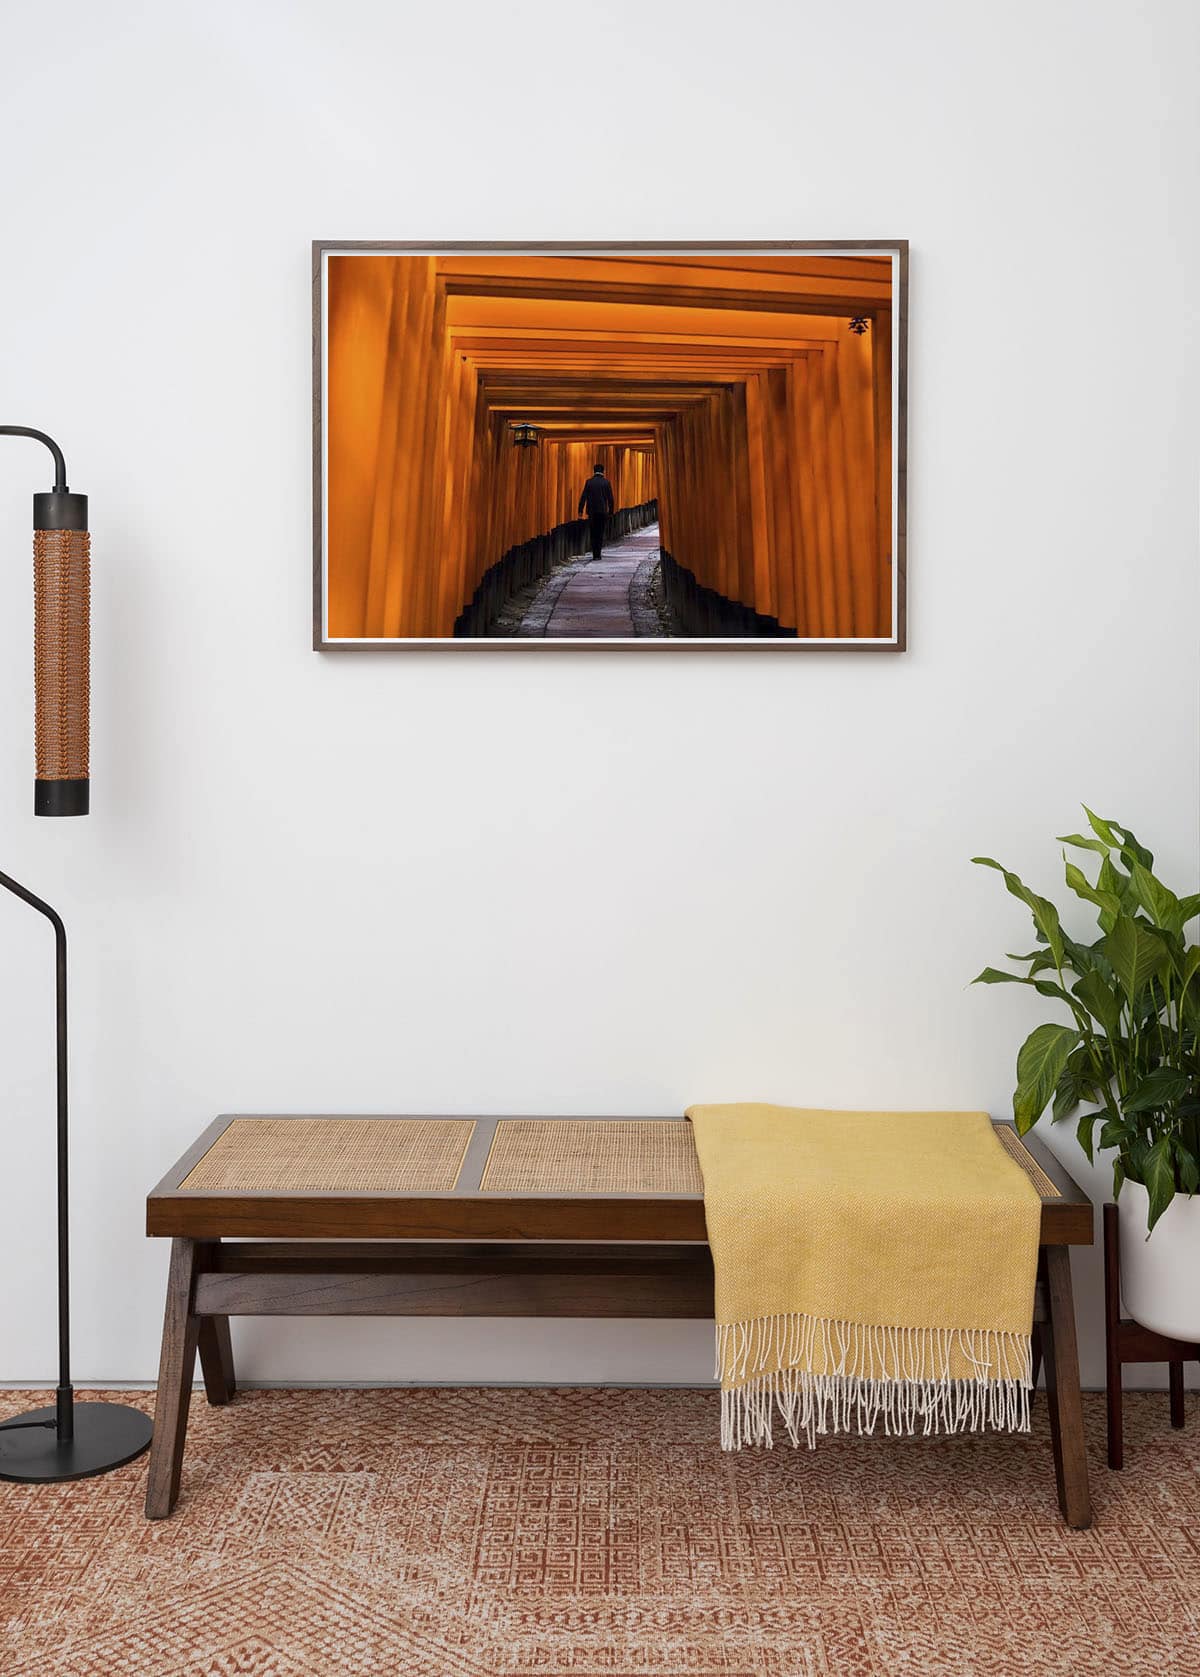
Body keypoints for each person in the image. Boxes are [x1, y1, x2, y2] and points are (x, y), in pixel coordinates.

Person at [577, 462, 615, 561]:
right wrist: (611, 512)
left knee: (593, 532)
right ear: (603, 471)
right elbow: (610, 499)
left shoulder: (589, 482)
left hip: (592, 511)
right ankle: (598, 554)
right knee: (600, 532)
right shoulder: (606, 483)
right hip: (602, 511)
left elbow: (583, 496)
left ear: (594, 471)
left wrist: (580, 510)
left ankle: (594, 554)